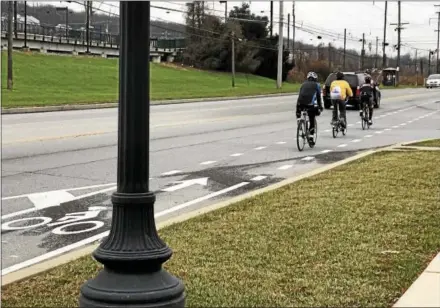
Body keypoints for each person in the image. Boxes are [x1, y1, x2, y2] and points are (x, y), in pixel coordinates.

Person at [296, 71, 323, 146]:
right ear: (315, 79)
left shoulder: (303, 84)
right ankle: (311, 138)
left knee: (299, 110)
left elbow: (300, 95)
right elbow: (318, 97)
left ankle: (299, 121)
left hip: (300, 103)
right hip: (310, 104)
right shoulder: (317, 85)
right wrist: (320, 106)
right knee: (312, 118)